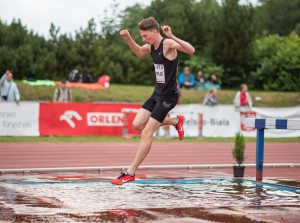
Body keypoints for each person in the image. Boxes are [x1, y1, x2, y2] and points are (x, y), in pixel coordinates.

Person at [111, 17, 195, 185]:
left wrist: (172, 36)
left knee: (147, 132)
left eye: (145, 36)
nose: (143, 39)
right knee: (137, 125)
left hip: (169, 97)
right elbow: (139, 52)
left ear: (154, 32)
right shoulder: (151, 46)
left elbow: (191, 50)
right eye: (141, 36)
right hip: (156, 94)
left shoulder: (168, 44)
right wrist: (129, 39)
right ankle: (175, 121)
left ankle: (130, 172)